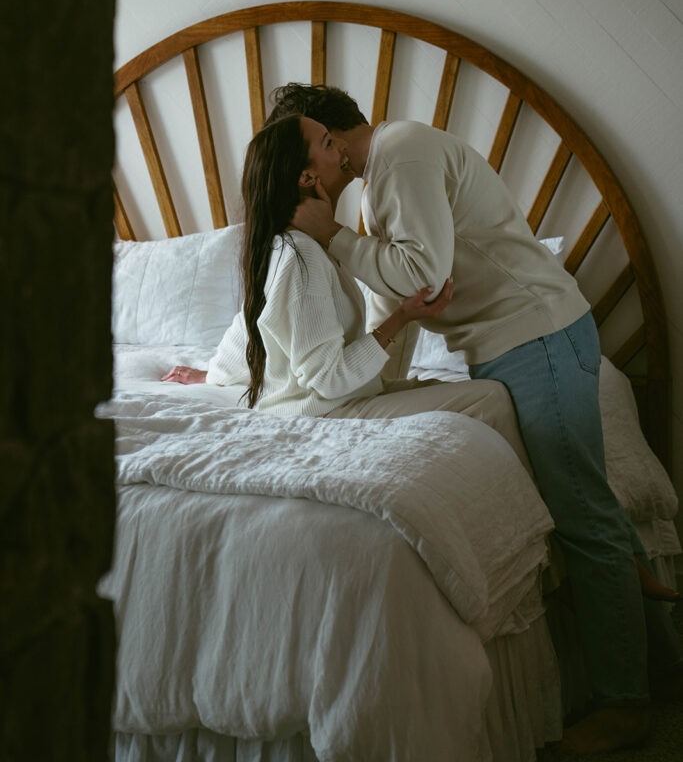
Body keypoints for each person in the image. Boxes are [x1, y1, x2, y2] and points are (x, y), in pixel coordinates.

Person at [266, 83, 682, 754]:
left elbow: (421, 274)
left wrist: (334, 235)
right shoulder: (384, 174)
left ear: (334, 137)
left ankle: (624, 705)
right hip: (518, 340)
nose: (311, 166)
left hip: (532, 336)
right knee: (582, 503)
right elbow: (403, 293)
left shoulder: (398, 156)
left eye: (310, 145)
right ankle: (662, 666)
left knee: (580, 516)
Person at [162, 114, 528, 459]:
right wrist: (401, 317)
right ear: (307, 177)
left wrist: (213, 374)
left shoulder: (297, 247)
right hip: (321, 416)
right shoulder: (300, 257)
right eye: (327, 143)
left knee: (472, 393)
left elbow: (255, 330)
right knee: (489, 399)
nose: (340, 147)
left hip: (335, 401)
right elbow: (328, 379)